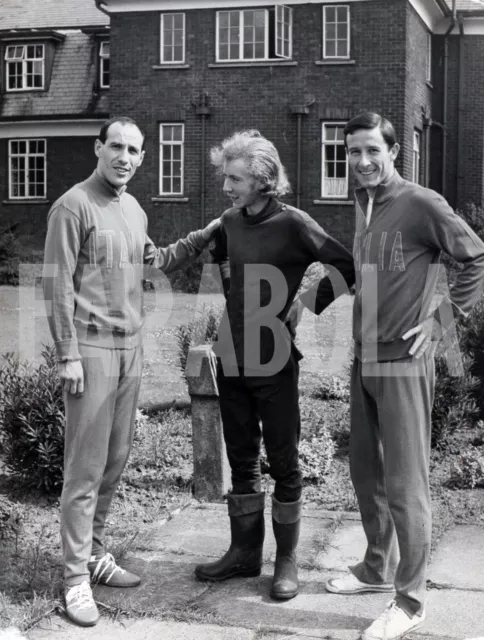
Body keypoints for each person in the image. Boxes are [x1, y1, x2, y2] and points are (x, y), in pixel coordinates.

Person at [42, 116, 220, 627]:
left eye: (134, 150)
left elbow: (155, 261)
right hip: (91, 350)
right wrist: (67, 355)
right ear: (98, 149)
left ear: (142, 159)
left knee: (115, 459)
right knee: (85, 467)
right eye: (115, 146)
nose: (124, 157)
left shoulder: (135, 208)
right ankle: (74, 578)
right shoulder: (72, 206)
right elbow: (55, 286)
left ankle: (96, 556)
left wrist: (206, 233)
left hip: (130, 350)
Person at [324, 112, 484, 640]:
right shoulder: (363, 202)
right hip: (364, 359)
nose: (363, 161)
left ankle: (410, 601)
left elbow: (476, 256)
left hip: (404, 364)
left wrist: (443, 322)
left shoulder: (421, 203)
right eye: (354, 152)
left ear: (394, 151)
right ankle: (375, 568)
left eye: (373, 150)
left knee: (405, 483)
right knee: (366, 473)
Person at [194, 130, 355, 600]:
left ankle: (286, 562)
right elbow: (220, 255)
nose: (227, 186)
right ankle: (244, 554)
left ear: (264, 180)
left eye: (236, 179)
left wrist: (306, 300)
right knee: (241, 457)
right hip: (232, 355)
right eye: (226, 177)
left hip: (276, 359)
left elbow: (347, 264)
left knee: (283, 462)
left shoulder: (295, 224)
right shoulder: (229, 220)